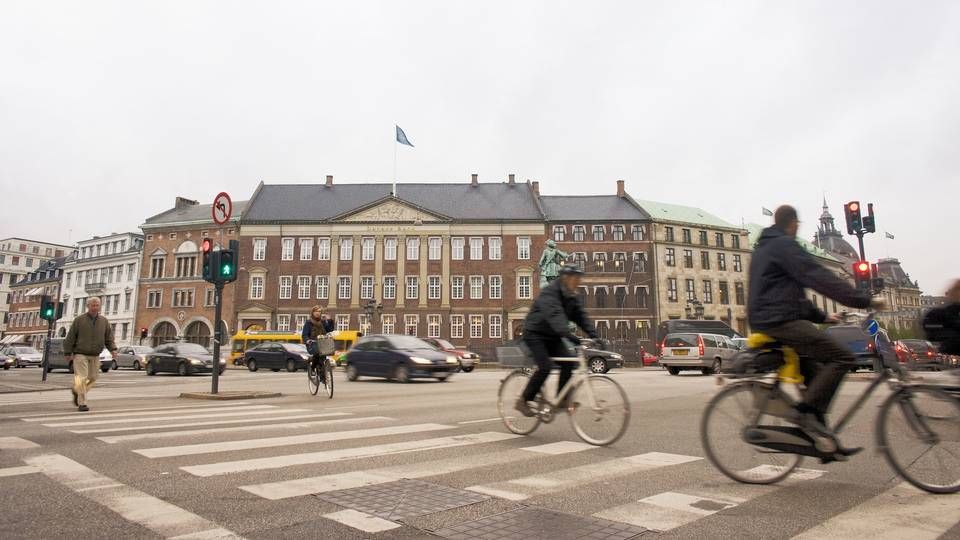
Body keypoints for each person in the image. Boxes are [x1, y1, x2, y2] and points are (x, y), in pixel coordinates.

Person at [749, 205, 885, 457]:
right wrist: (862, 300)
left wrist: (823, 316)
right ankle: (804, 415)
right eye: (797, 224)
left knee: (815, 372)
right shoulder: (783, 245)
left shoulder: (765, 248)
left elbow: (791, 296)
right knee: (842, 357)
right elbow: (818, 276)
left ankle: (824, 441)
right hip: (780, 320)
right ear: (792, 224)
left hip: (772, 317)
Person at [516, 265, 599, 416]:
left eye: (579, 278)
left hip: (553, 336)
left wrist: (594, 335)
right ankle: (523, 400)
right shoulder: (550, 292)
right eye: (576, 278)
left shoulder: (571, 295)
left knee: (569, 362)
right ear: (566, 278)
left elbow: (580, 316)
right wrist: (569, 335)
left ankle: (562, 399)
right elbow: (555, 315)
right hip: (535, 334)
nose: (578, 281)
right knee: (545, 367)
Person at [62, 297, 117, 412]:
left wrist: (113, 349)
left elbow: (108, 338)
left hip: (95, 354)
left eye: (97, 305)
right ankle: (82, 403)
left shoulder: (104, 321)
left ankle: (76, 391)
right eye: (93, 305)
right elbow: (70, 337)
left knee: (93, 378)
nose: (95, 307)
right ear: (88, 306)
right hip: (80, 353)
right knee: (81, 378)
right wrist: (68, 352)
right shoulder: (79, 320)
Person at [302, 306, 335, 379]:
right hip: (312, 343)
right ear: (313, 312)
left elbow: (330, 329)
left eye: (319, 311)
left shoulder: (323, 321)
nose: (318, 313)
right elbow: (305, 334)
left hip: (322, 343)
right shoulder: (309, 322)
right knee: (317, 354)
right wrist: (307, 340)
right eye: (316, 311)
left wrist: (329, 320)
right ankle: (313, 368)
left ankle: (323, 375)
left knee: (323, 357)